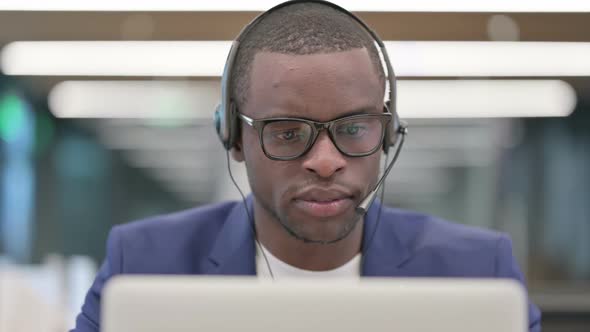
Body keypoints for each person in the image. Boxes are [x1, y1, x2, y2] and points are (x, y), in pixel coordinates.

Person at [72, 1, 541, 331]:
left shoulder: (480, 271)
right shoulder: (145, 264)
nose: (324, 161)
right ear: (234, 136)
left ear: (389, 131)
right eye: (288, 133)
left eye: (355, 128)